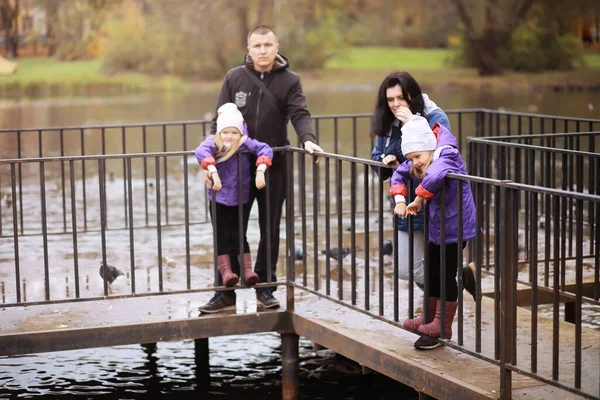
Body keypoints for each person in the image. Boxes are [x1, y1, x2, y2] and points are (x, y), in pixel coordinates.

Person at [199, 25, 323, 313]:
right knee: (229, 228)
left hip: (273, 166)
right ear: (249, 49)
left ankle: (265, 287)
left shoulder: (290, 81)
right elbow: (218, 123)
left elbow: (299, 114)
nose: (263, 50)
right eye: (257, 46)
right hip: (233, 169)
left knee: (270, 227)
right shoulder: (234, 78)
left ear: (277, 47)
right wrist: (211, 163)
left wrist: (308, 140)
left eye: (268, 45)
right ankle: (225, 292)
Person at [370, 71, 476, 299]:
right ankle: (456, 281)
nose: (396, 104)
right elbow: (376, 159)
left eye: (401, 98)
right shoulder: (387, 123)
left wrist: (411, 123)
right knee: (406, 269)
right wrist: (386, 163)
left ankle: (439, 313)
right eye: (390, 100)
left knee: (436, 266)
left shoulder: (435, 117)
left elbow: (440, 163)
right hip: (404, 204)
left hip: (435, 204)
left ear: (412, 95)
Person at [389, 115, 476, 350]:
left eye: (417, 157)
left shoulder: (447, 154)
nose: (415, 163)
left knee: (445, 273)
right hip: (437, 226)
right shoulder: (421, 155)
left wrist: (416, 199)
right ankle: (429, 317)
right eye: (411, 158)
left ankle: (443, 325)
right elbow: (399, 173)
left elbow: (436, 174)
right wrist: (399, 198)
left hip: (456, 226)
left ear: (429, 146)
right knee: (431, 271)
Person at [195, 103, 273, 313]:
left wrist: (261, 169)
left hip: (241, 197)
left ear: (240, 132)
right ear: (219, 132)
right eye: (226, 132)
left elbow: (265, 149)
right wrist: (212, 169)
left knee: (240, 235)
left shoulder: (245, 144)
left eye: (234, 132)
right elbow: (200, 150)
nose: (229, 136)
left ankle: (247, 272)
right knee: (221, 235)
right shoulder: (214, 144)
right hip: (218, 198)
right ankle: (227, 273)